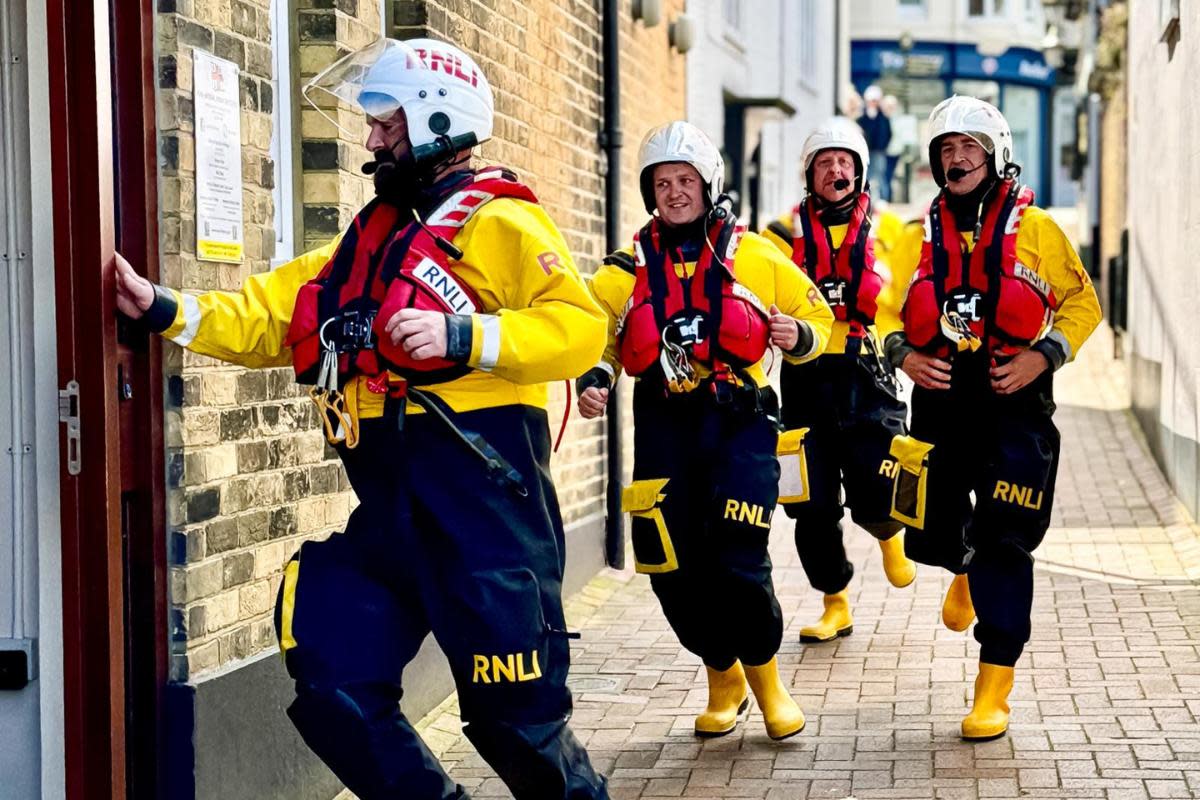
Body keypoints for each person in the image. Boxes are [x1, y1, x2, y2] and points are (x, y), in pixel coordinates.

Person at [115, 38, 609, 799]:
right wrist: (165, 309)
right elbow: (272, 313)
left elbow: (578, 329)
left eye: (386, 123)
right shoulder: (366, 239)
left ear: (438, 120)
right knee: (332, 675)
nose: (372, 139)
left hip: (484, 513)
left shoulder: (500, 225)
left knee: (517, 721)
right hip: (390, 512)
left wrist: (467, 336)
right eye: (373, 123)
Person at [576, 121, 834, 741]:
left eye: (685, 180)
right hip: (664, 423)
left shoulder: (754, 256)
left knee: (737, 555)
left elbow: (816, 318)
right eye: (661, 183)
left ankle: (768, 680)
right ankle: (723, 676)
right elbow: (594, 331)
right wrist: (596, 375)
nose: (674, 193)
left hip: (739, 421)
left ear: (709, 184)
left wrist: (794, 335)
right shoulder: (624, 268)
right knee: (669, 565)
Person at [884, 96, 1102, 741]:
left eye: (969, 148)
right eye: (946, 150)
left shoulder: (1038, 231)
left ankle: (992, 690)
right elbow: (881, 314)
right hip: (941, 405)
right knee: (931, 533)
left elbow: (1081, 305)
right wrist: (906, 356)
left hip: (1015, 408)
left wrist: (1044, 356)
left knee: (1008, 543)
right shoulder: (911, 236)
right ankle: (961, 566)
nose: (956, 160)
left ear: (996, 155)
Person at [761, 117, 916, 645]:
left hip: (868, 373)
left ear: (861, 171)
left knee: (877, 488)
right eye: (824, 163)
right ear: (809, 175)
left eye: (844, 162)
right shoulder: (779, 237)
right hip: (804, 380)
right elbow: (749, 297)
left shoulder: (893, 232)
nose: (835, 171)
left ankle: (889, 535)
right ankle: (835, 602)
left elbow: (922, 292)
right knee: (810, 505)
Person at [857, 85, 892, 203]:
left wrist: (883, 146)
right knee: (866, 176)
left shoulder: (882, 117)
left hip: (879, 151)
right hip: (865, 151)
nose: (873, 103)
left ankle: (883, 201)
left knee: (880, 176)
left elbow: (888, 133)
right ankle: (867, 201)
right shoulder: (862, 117)